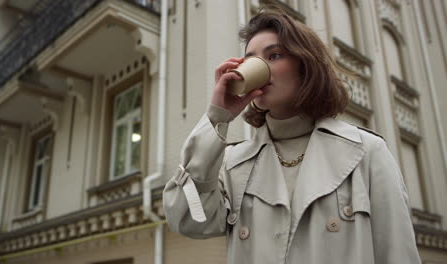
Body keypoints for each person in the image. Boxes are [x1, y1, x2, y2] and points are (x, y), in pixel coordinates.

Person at [163, 7, 421, 264]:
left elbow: (398, 253)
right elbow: (186, 218)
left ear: (305, 66)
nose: (259, 67)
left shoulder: (366, 151)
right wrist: (217, 116)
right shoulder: (234, 163)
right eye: (250, 59)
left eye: (274, 55)